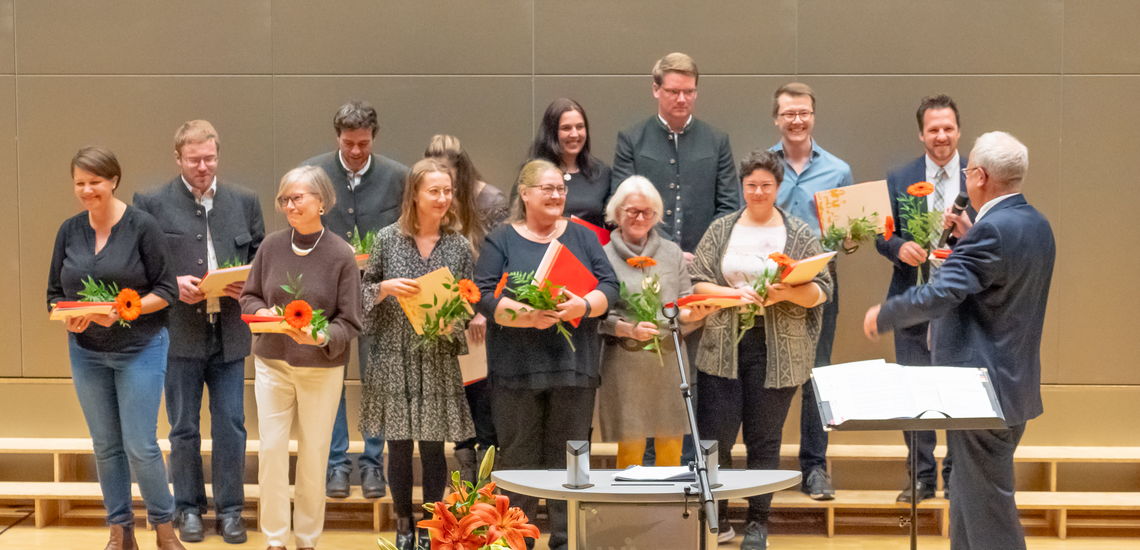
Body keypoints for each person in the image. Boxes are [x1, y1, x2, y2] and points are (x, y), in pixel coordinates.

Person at [864, 131, 1054, 550]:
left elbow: (938, 293)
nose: (966, 177)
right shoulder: (1035, 224)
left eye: (968, 171)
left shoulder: (992, 232)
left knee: (989, 514)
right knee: (970, 502)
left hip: (982, 391)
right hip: (1010, 386)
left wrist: (887, 313)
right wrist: (969, 238)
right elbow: (998, 286)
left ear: (981, 176)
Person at [690, 150, 832, 550]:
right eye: (751, 185)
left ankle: (758, 523)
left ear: (778, 187)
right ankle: (718, 518)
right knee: (715, 439)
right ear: (743, 186)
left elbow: (822, 290)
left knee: (764, 441)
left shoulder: (800, 232)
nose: (757, 192)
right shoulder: (722, 229)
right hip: (722, 348)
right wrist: (734, 293)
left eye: (766, 185)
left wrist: (786, 291)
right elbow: (699, 280)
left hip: (778, 353)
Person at [474, 159, 619, 550]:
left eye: (561, 189)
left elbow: (611, 286)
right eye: (548, 188)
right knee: (519, 459)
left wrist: (583, 306)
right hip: (516, 370)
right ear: (525, 194)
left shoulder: (584, 236)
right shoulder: (501, 239)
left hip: (574, 368)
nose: (557, 195)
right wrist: (527, 317)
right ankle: (516, 540)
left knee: (568, 461)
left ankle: (566, 540)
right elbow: (484, 295)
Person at [133, 120, 264, 544]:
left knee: (231, 422)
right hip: (179, 331)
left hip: (229, 331)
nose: (203, 167)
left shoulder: (245, 201)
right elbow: (141, 265)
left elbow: (263, 256)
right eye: (194, 160)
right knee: (183, 425)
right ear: (178, 158)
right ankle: (187, 508)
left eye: (210, 158)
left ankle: (230, 512)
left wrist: (252, 281)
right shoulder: (150, 202)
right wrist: (175, 283)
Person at [47, 147, 184, 550]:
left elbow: (167, 291)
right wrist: (67, 316)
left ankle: (163, 528)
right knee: (105, 445)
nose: (87, 190)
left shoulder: (143, 226)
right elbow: (55, 294)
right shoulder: (68, 231)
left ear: (114, 181)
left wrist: (125, 310)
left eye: (95, 182)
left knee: (140, 444)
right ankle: (119, 531)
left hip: (140, 347)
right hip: (86, 350)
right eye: (80, 183)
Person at [611, 51, 740, 476]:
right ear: (656, 90)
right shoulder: (632, 137)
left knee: (691, 377)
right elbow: (624, 200)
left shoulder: (717, 140)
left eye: (689, 92)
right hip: (642, 271)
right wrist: (664, 250)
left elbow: (728, 208)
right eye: (673, 91)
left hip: (700, 278)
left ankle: (686, 473)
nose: (681, 99)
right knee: (646, 377)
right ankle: (642, 477)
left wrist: (696, 258)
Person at [240, 166, 363, 550]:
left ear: (322, 202)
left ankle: (307, 539)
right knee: (272, 450)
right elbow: (250, 296)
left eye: (297, 198)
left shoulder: (341, 253)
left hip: (320, 368)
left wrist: (322, 335)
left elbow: (351, 322)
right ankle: (275, 540)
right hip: (272, 363)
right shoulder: (271, 246)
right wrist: (262, 314)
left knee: (314, 456)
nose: (289, 205)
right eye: (284, 199)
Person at [359, 158, 477, 550]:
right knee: (399, 446)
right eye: (434, 191)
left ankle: (431, 523)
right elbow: (360, 295)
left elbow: (468, 299)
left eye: (448, 191)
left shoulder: (459, 245)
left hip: (436, 357)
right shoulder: (387, 239)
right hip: (394, 355)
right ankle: (404, 523)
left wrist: (454, 320)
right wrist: (385, 288)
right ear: (414, 194)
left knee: (433, 448)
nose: (443, 198)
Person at [303, 100, 408, 500]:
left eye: (363, 144)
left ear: (373, 139)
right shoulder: (313, 174)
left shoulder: (399, 176)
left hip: (380, 295)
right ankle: (336, 464)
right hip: (328, 294)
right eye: (349, 143)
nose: (356, 151)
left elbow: (407, 233)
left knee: (377, 383)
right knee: (330, 380)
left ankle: (372, 465)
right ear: (338, 138)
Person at [875, 95, 972, 504]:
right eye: (933, 129)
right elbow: (882, 233)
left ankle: (956, 475)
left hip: (964, 303)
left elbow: (996, 229)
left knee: (958, 391)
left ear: (959, 131)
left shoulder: (979, 175)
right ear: (921, 134)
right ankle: (920, 477)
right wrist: (898, 248)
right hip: (912, 296)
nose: (942, 136)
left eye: (948, 128)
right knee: (914, 390)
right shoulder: (899, 178)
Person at [598, 176, 719, 469]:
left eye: (647, 212)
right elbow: (595, 315)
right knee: (630, 453)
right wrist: (626, 328)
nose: (640, 218)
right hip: (625, 362)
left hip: (669, 361)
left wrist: (695, 316)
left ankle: (668, 514)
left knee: (671, 450)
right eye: (632, 211)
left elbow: (684, 303)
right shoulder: (602, 256)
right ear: (617, 213)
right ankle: (630, 513)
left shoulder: (671, 253)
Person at [769, 82, 852, 501]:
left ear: (813, 117)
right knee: (764, 375)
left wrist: (854, 239)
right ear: (777, 119)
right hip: (771, 288)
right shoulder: (762, 169)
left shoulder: (838, 171)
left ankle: (815, 467)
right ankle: (761, 467)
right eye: (789, 113)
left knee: (819, 377)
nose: (797, 120)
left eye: (804, 113)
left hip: (820, 286)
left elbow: (847, 239)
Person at [425, 135, 508, 483]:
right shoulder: (431, 200)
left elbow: (504, 260)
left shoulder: (489, 200)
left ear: (461, 167)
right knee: (457, 406)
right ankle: (467, 482)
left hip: (483, 315)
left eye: (448, 169)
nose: (443, 178)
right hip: (445, 317)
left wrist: (481, 311)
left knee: (484, 404)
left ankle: (489, 486)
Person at [526, 98, 612, 228]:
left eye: (580, 127)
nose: (574, 134)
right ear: (552, 133)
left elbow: (613, 222)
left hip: (590, 247)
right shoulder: (532, 174)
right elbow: (518, 221)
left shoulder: (602, 173)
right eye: (566, 128)